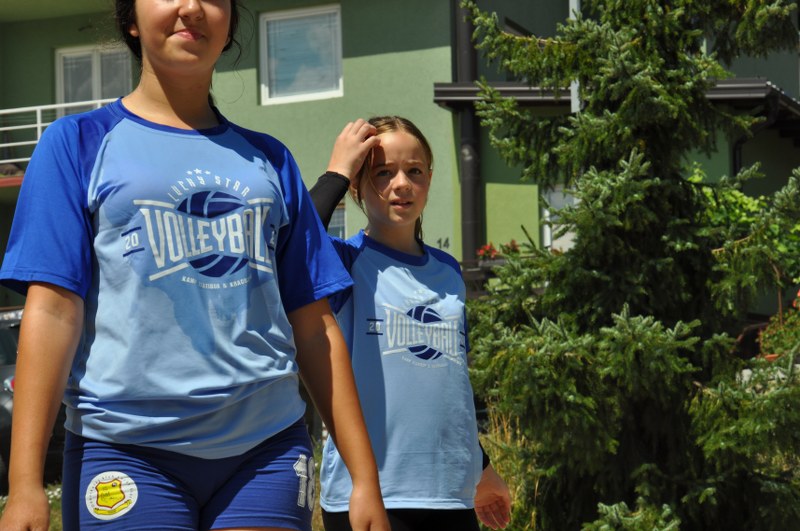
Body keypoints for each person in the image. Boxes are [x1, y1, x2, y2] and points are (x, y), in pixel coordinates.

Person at [0, 2, 389, 530]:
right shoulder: (75, 144)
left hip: (267, 454)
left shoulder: (271, 160)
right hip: (124, 451)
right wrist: (24, 483)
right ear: (131, 19)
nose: (191, 7)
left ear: (229, 26)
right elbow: (51, 313)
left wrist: (365, 480)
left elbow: (314, 326)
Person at [309, 118, 512, 531]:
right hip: (371, 497)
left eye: (414, 171)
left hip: (451, 496)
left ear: (429, 180)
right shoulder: (343, 262)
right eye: (383, 172)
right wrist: (337, 171)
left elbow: (447, 389)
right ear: (356, 186)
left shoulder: (449, 271)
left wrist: (482, 468)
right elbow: (293, 241)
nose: (401, 184)